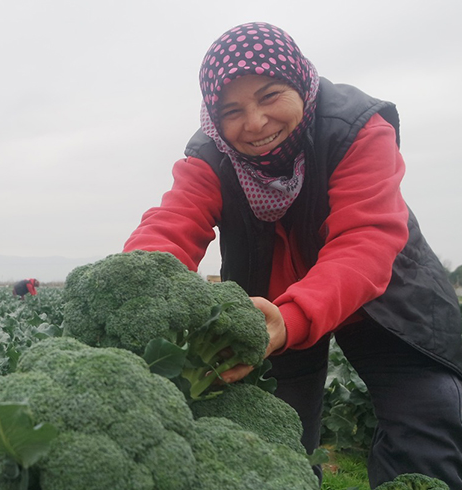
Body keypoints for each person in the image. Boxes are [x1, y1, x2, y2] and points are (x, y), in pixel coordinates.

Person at [123, 22, 462, 488]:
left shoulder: (356, 127)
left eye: (269, 96)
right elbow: (171, 226)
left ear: (299, 81)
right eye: (232, 110)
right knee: (278, 440)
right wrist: (134, 280)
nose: (255, 122)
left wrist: (296, 315)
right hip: (273, 314)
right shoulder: (212, 155)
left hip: (383, 300)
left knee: (430, 411)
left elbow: (365, 239)